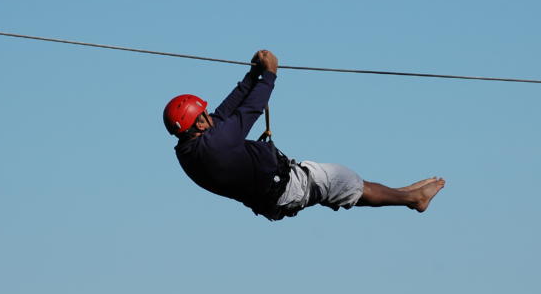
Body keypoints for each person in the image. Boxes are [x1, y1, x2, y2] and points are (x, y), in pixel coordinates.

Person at [163, 50, 445, 221]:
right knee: (349, 183)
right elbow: (249, 110)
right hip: (289, 186)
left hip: (277, 190)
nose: (210, 115)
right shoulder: (216, 145)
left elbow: (224, 114)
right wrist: (270, 74)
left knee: (348, 184)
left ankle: (407, 193)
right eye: (204, 114)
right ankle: (413, 199)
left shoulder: (189, 150)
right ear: (198, 126)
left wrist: (251, 75)